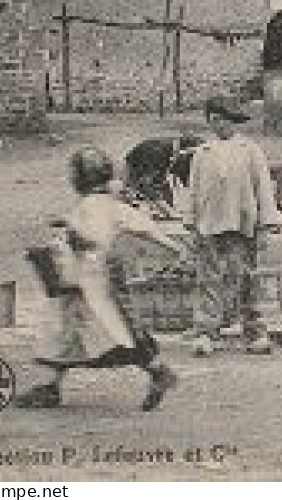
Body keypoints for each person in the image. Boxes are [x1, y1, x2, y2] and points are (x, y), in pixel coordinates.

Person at [15, 148, 183, 411]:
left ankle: (157, 371)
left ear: (79, 179)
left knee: (103, 332)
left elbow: (86, 240)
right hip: (90, 279)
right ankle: (51, 386)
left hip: (84, 279)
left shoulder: (88, 206)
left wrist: (70, 235)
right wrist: (173, 247)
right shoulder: (113, 206)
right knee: (72, 330)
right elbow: (145, 228)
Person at [183, 97, 282, 356]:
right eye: (215, 120)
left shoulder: (250, 150)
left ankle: (254, 331)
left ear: (233, 122)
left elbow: (263, 189)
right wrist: (191, 222)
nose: (220, 125)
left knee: (246, 277)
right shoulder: (201, 153)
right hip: (210, 223)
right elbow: (193, 191)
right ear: (210, 121)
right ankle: (206, 332)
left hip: (241, 224)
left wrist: (265, 225)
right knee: (209, 279)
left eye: (226, 120)